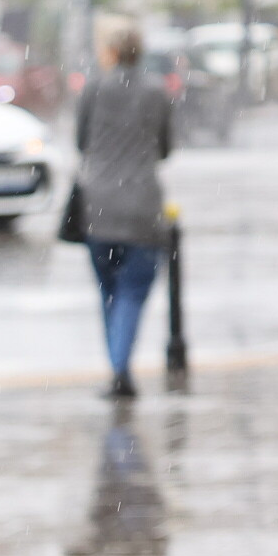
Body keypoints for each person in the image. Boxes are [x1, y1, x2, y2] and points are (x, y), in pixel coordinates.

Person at [74, 25, 174, 400]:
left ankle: (117, 368)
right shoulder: (157, 91)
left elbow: (81, 142)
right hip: (143, 207)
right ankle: (120, 369)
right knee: (132, 292)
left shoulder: (94, 88)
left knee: (109, 291)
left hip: (99, 206)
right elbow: (166, 148)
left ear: (111, 52)